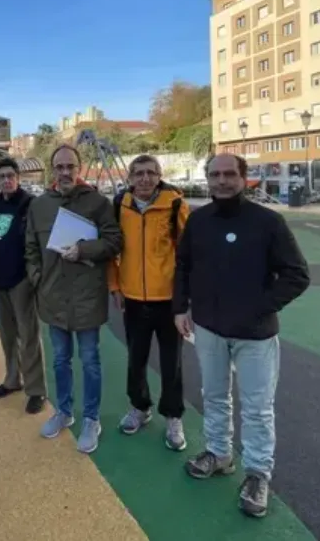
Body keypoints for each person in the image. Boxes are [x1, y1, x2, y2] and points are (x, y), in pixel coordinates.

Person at [173, 153, 310, 518]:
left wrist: (261, 306)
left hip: (255, 334)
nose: (221, 181)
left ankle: (257, 473)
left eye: (229, 174)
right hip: (209, 328)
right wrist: (180, 307)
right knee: (214, 396)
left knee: (257, 407)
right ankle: (219, 454)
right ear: (207, 179)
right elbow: (183, 265)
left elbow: (297, 274)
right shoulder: (199, 221)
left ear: (243, 178)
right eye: (214, 175)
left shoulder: (268, 222)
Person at [25, 144, 122, 453]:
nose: (65, 172)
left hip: (86, 297)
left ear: (79, 169)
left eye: (70, 166)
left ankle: (92, 418)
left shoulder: (97, 202)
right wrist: (37, 279)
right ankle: (64, 412)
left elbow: (114, 241)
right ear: (53, 170)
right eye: (60, 167)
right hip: (52, 296)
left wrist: (84, 250)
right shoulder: (39, 205)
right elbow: (30, 249)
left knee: (91, 361)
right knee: (59, 360)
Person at [108, 154, 189, 450]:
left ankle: (173, 416)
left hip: (167, 301)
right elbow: (112, 251)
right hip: (132, 299)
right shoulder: (120, 206)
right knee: (136, 358)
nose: (144, 179)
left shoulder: (176, 205)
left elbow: (186, 255)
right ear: (129, 177)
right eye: (138, 173)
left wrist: (184, 298)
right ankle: (140, 407)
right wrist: (115, 286)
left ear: (159, 175)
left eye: (150, 173)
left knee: (172, 363)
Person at [0, 157, 47, 414]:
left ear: (18, 178)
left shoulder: (30, 205)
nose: (7, 180)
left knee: (29, 336)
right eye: (2, 177)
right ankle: (13, 379)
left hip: (22, 280)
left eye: (11, 175)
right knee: (7, 336)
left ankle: (36, 390)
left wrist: (35, 276)